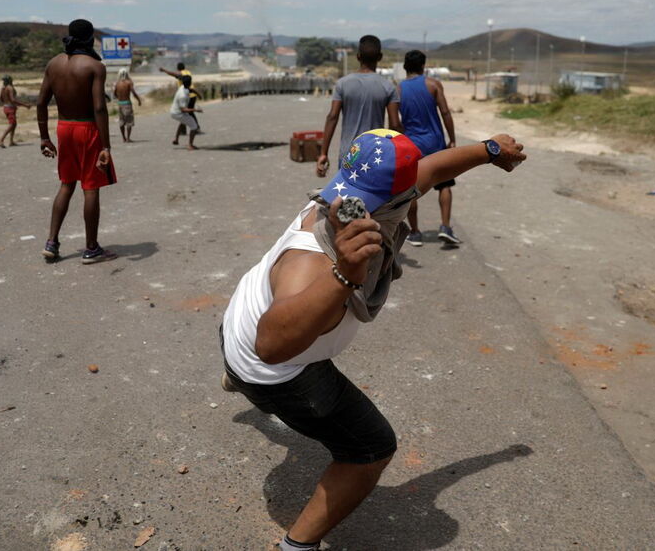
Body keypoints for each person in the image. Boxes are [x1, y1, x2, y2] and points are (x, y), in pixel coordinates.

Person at [220, 128, 526, 550]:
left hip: (236, 321)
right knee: (371, 448)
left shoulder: (356, 196)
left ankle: (234, 375)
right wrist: (343, 274)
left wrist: (491, 151)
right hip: (272, 367)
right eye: (350, 197)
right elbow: (271, 346)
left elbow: (434, 167)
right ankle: (297, 546)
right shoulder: (315, 260)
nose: (348, 208)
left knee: (254, 358)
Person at [36, 19, 117, 264]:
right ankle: (91, 248)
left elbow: (41, 103)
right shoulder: (94, 66)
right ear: (90, 38)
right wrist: (106, 146)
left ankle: (52, 242)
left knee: (66, 185)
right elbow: (99, 107)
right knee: (90, 188)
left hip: (64, 129)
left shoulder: (54, 64)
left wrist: (44, 137)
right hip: (87, 129)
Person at [397, 50, 460, 246]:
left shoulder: (398, 90)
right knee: (445, 185)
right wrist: (452, 139)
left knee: (410, 189)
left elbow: (395, 122)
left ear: (405, 67)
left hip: (412, 146)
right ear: (423, 66)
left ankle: (415, 232)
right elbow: (445, 113)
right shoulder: (433, 85)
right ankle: (445, 227)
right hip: (436, 143)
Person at [316, 35, 402, 178]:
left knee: (345, 196)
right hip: (375, 155)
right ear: (380, 57)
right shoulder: (388, 87)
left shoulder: (342, 84)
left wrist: (323, 153)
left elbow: (332, 117)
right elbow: (395, 124)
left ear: (358, 56)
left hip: (349, 153)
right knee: (372, 198)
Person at [160, 61, 202, 136]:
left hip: (187, 95)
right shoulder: (188, 72)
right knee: (188, 113)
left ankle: (195, 128)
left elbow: (173, 74)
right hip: (192, 94)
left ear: (178, 68)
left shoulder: (181, 73)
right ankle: (187, 129)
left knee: (186, 113)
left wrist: (164, 70)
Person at [170, 74, 203, 149]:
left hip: (174, 110)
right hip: (178, 113)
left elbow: (190, 89)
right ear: (190, 83)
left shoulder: (182, 87)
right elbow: (183, 109)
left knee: (183, 122)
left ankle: (176, 139)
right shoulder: (183, 95)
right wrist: (196, 110)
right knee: (194, 127)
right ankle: (190, 145)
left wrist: (197, 94)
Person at [0, 75, 30, 148]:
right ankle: (1, 140)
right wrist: (25, 105)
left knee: (14, 124)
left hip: (6, 107)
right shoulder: (10, 88)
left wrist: (7, 103)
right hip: (10, 108)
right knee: (12, 124)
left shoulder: (3, 88)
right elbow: (13, 100)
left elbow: (1, 98)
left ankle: (11, 141)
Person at [112, 67, 142, 143]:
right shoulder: (129, 82)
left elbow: (114, 94)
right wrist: (138, 100)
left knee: (121, 121)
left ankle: (123, 138)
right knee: (129, 121)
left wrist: (119, 96)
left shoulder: (117, 83)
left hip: (120, 104)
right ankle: (128, 138)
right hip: (127, 103)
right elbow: (133, 92)